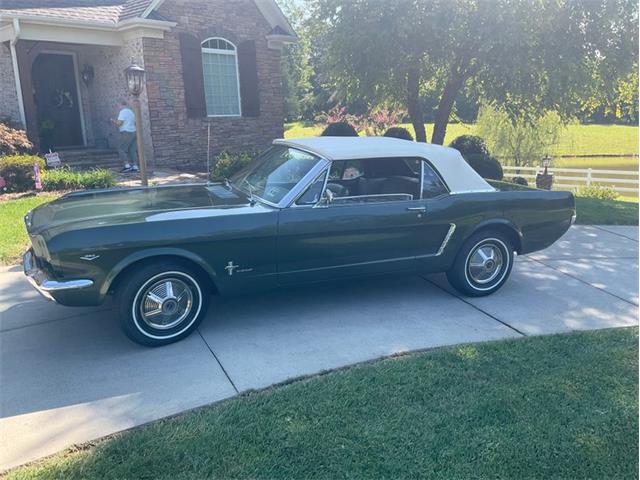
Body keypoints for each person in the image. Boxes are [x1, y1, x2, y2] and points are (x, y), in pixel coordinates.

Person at [111, 100, 139, 173]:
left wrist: (113, 120)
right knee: (132, 150)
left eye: (118, 105)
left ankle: (127, 166)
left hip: (126, 132)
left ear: (122, 104)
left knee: (121, 149)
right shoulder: (131, 112)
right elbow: (135, 122)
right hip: (134, 132)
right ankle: (135, 166)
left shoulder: (123, 112)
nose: (117, 107)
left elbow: (119, 123)